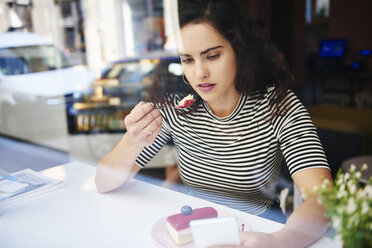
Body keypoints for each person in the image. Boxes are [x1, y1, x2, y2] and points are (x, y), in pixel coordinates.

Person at [95, 0, 333, 247]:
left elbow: (323, 199)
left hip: (258, 232)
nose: (200, 73)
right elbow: (103, 182)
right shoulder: (175, 108)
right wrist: (131, 141)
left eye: (213, 56)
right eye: (187, 60)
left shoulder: (278, 106)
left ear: (239, 51)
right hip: (192, 235)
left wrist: (278, 242)